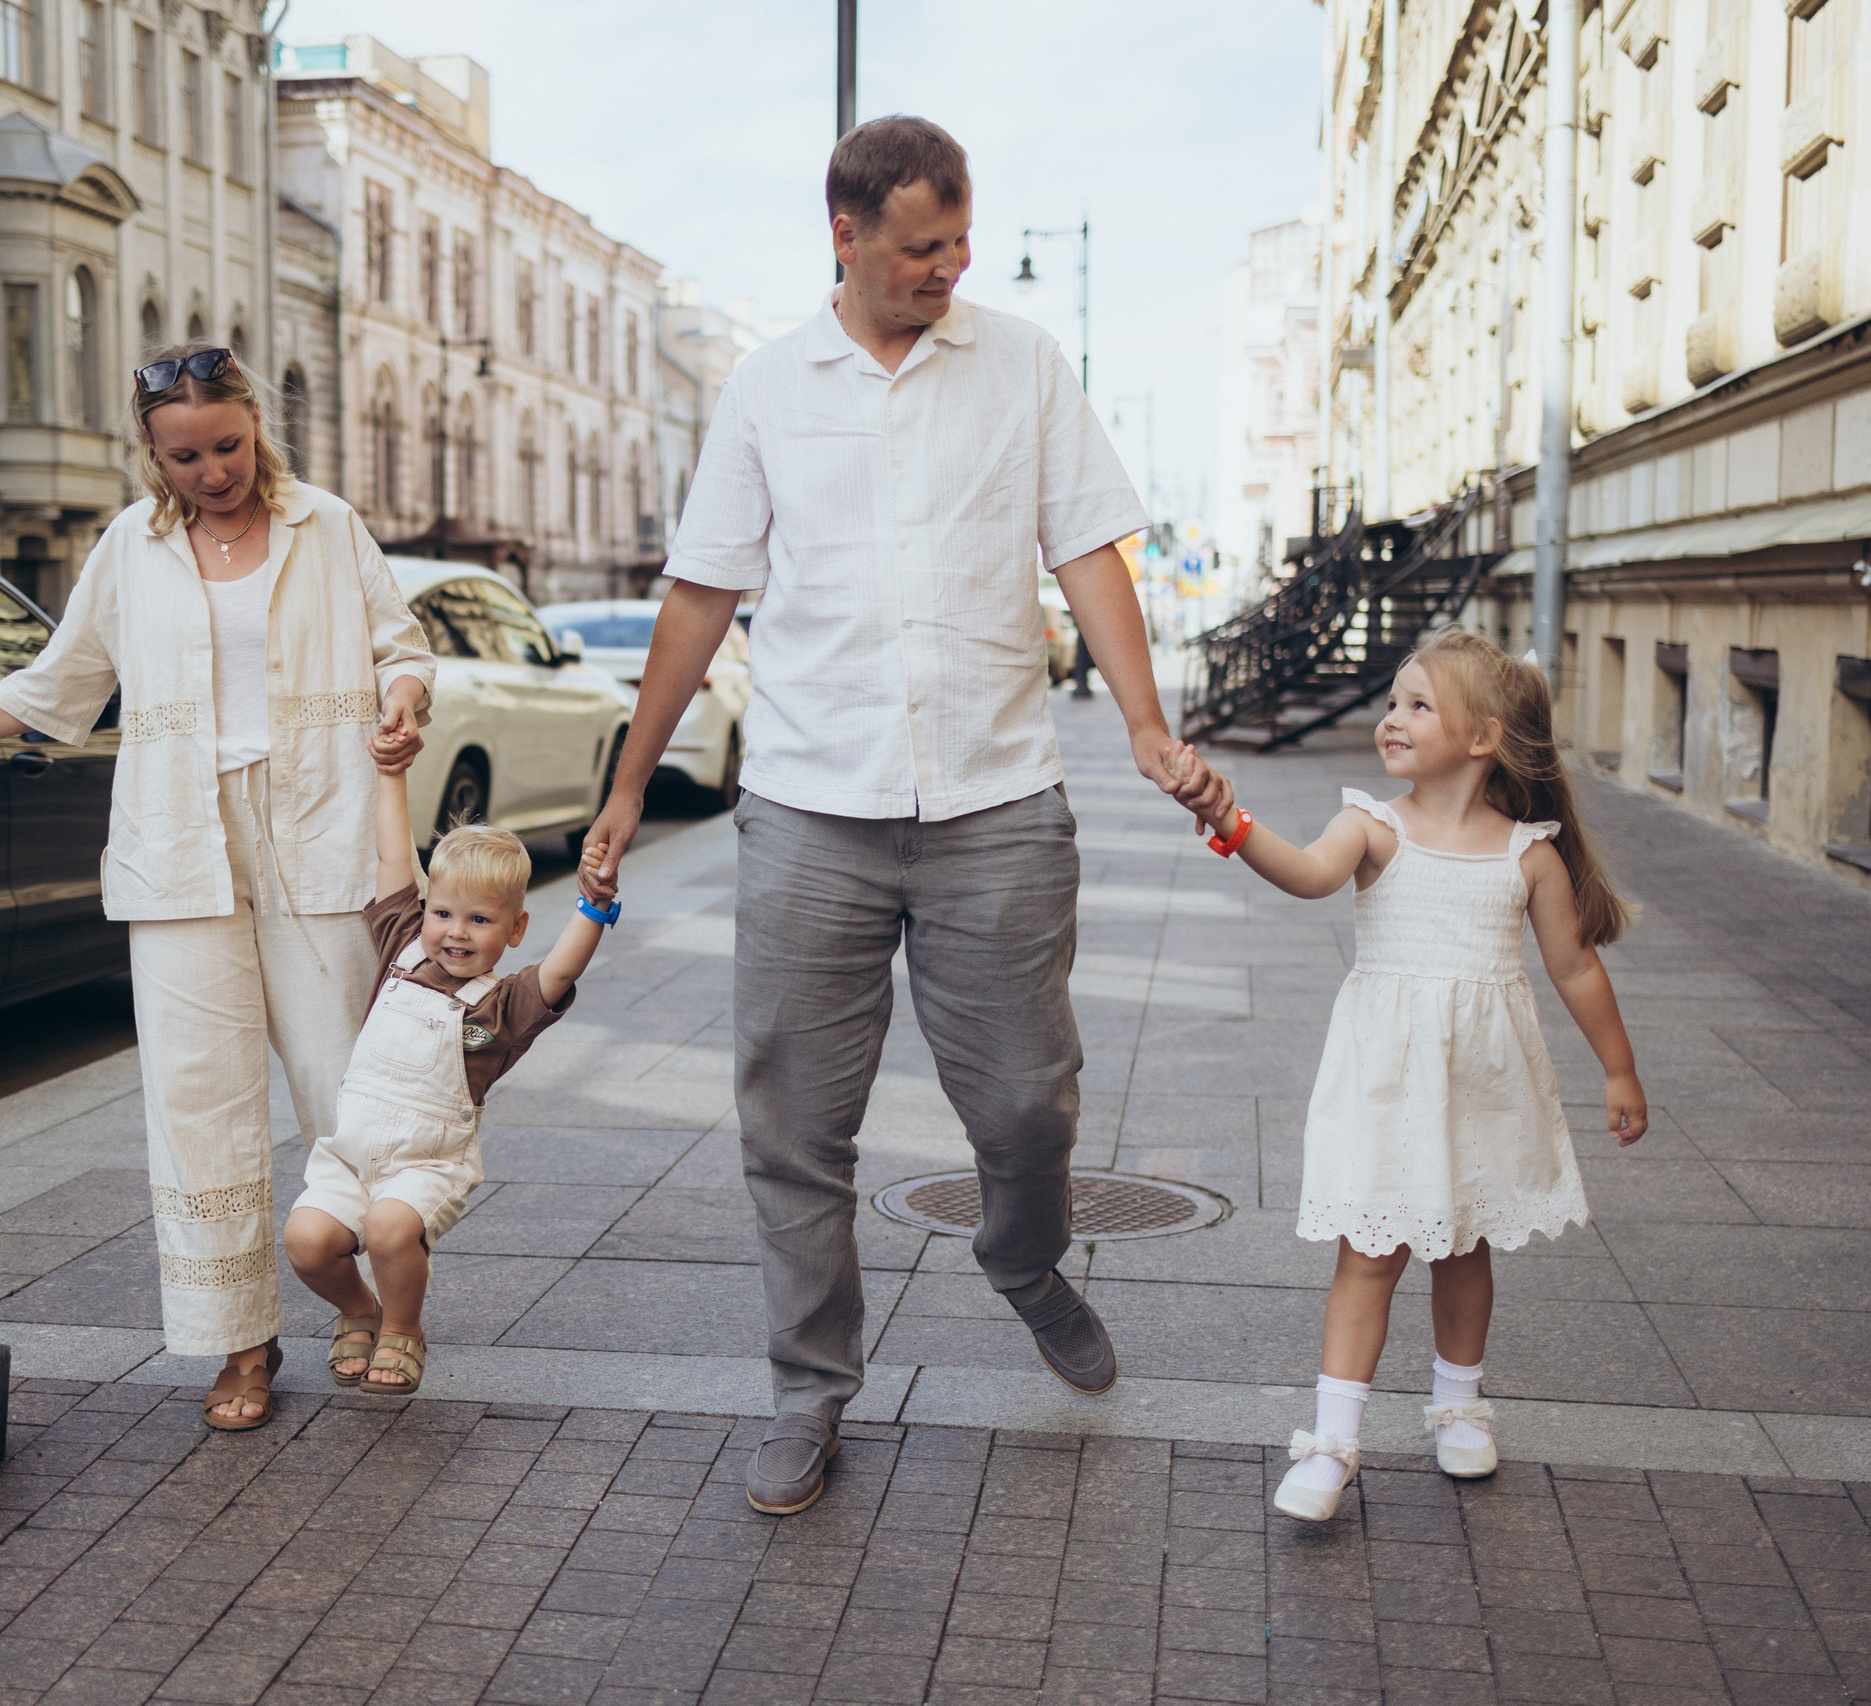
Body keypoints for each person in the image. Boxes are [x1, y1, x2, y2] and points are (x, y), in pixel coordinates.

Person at [577, 115, 1226, 1517]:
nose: (954, 265)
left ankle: (1022, 1253)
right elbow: (699, 594)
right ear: (847, 235)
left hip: (996, 799)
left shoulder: (1024, 367)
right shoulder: (763, 389)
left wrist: (1146, 724)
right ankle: (809, 1390)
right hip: (811, 808)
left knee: (1027, 1102)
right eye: (923, 245)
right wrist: (629, 785)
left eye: (961, 239)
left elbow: (1089, 552)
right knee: (795, 1125)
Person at [0, 344, 434, 1433]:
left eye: (227, 444)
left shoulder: (327, 524)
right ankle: (242, 1342)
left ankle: (370, 1299)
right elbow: (56, 685)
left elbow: (397, 648)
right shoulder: (130, 546)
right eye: (185, 455)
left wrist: (402, 700)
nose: (212, 470)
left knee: (346, 1092)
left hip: (317, 830)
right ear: (153, 455)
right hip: (177, 846)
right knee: (195, 1104)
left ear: (254, 425)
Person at [1185, 632, 1646, 1522]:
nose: (1391, 719)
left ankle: (1460, 1406)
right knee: (1370, 1251)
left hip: (1485, 1084)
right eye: (1393, 703)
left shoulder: (1529, 854)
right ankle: (1331, 1444)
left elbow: (1577, 967)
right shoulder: (1372, 826)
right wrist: (1231, 824)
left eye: (1418, 705)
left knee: (1464, 1244)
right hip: (1390, 1085)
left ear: (1483, 739)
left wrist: (1619, 1072)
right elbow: (1309, 876)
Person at [285, 784, 612, 1396]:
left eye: (480, 920)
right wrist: (390, 774)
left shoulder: (499, 1004)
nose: (455, 933)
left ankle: (403, 1329)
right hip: (350, 1157)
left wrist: (591, 907)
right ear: (426, 908)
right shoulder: (398, 950)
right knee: (306, 1244)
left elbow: (561, 970)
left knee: (387, 1228)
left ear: (515, 929)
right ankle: (360, 1309)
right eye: (443, 913)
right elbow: (391, 857)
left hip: (427, 1163)